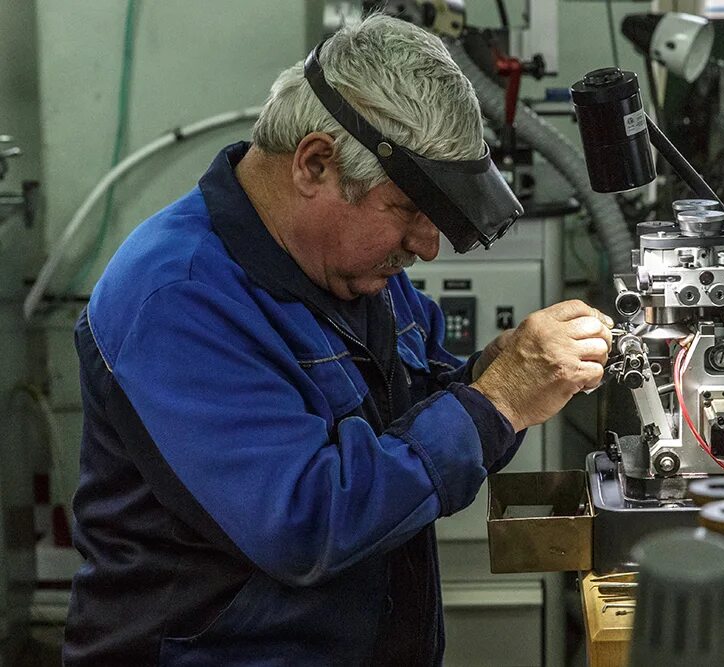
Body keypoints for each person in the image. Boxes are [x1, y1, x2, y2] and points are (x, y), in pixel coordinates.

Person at [64, 13, 612, 666]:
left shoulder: (349, 270)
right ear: (315, 163)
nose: (427, 246)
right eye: (408, 209)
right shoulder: (175, 296)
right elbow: (306, 524)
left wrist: (502, 371)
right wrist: (500, 401)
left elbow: (419, 405)